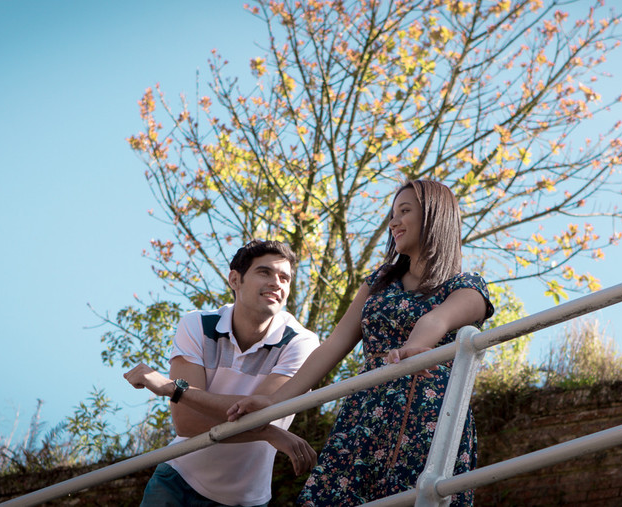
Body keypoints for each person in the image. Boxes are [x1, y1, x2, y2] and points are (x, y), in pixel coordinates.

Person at [226, 180, 495, 506]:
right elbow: (332, 346)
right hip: (365, 416)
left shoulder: (468, 287)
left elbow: (435, 320)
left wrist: (412, 348)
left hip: (429, 420)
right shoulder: (379, 282)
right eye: (392, 214)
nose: (394, 222)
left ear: (435, 216)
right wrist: (274, 403)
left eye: (405, 211)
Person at [124, 240, 320, 507]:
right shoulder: (197, 325)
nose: (277, 283)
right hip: (177, 480)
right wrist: (268, 433)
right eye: (265, 272)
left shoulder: (301, 342)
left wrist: (175, 389)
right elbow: (187, 423)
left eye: (284, 277)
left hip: (246, 499)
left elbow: (261, 413)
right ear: (234, 279)